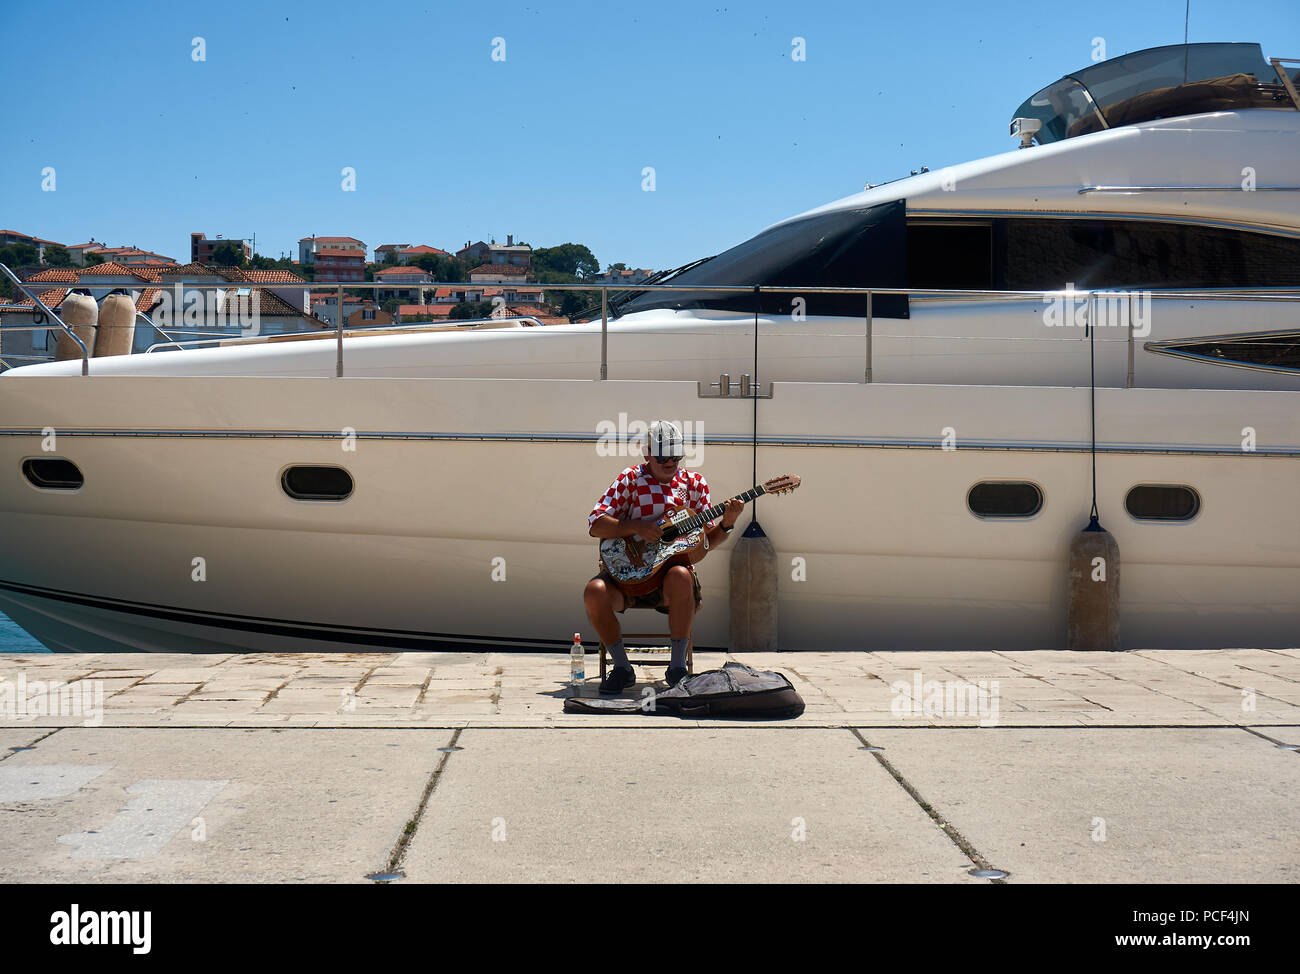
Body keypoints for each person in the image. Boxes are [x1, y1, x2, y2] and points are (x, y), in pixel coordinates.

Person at [584, 420, 743, 694]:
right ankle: (622, 668)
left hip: (670, 582)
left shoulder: (694, 484)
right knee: (593, 592)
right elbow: (595, 524)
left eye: (675, 457)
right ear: (647, 454)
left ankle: (677, 668)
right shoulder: (630, 479)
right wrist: (634, 526)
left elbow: (704, 544)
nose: (670, 463)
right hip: (627, 579)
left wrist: (727, 523)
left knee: (681, 575)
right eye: (662, 457)